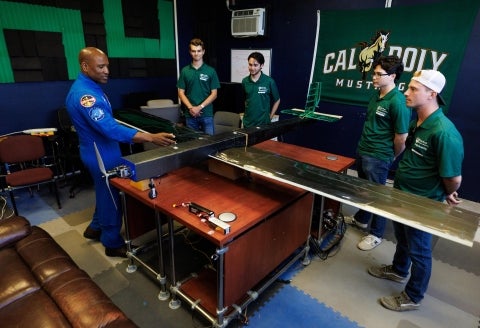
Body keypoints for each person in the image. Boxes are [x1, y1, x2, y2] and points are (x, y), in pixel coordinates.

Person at [66, 47, 176, 258]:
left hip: (100, 149)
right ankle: (111, 241)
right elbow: (109, 128)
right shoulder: (85, 95)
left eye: (107, 65)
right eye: (101, 66)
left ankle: (95, 227)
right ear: (85, 66)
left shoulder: (89, 86)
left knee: (102, 190)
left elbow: (106, 121)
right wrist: (149, 137)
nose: (107, 70)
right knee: (111, 196)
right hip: (101, 153)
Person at [368, 70, 463, 311]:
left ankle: (413, 296)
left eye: (413, 89)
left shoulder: (444, 132)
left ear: (431, 94)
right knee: (402, 238)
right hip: (402, 193)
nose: (406, 93)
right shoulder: (417, 122)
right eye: (408, 87)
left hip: (423, 202)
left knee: (419, 250)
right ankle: (399, 270)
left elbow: (453, 177)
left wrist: (448, 191)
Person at [346, 55, 411, 251]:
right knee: (364, 189)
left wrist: (391, 156)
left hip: (379, 155)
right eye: (374, 73)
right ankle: (362, 219)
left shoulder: (398, 102)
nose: (373, 77)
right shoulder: (376, 95)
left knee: (378, 195)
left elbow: (401, 137)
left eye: (377, 74)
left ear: (392, 76)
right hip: (364, 149)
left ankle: (376, 234)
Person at [177, 38, 220, 135]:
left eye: (199, 51)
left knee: (209, 144)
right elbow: (180, 92)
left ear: (203, 52)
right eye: (193, 51)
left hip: (207, 114)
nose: (196, 53)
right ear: (190, 52)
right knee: (192, 145)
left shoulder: (210, 71)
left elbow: (214, 94)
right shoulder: (185, 71)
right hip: (190, 114)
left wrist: (199, 107)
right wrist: (191, 108)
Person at [241, 52, 280, 128]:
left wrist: (270, 117)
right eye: (250, 64)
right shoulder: (244, 81)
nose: (252, 68)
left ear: (261, 65)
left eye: (255, 65)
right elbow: (246, 99)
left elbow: (277, 100)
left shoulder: (269, 81)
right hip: (247, 123)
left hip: (263, 124)